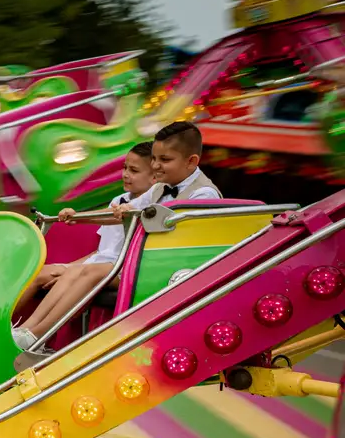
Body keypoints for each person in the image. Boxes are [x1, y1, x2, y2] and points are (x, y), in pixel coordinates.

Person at [11, 141, 157, 351]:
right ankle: (10, 326)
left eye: (134, 171)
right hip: (98, 263)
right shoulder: (118, 199)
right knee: (41, 272)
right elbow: (102, 250)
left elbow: (121, 242)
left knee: (77, 272)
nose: (125, 174)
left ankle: (35, 335)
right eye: (125, 168)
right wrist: (68, 267)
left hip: (120, 268)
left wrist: (78, 219)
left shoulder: (149, 207)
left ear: (154, 178)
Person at [112, 120, 221, 214]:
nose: (155, 166)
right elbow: (130, 209)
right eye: (154, 158)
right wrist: (121, 210)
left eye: (165, 159)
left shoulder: (204, 194)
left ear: (191, 161)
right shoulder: (159, 188)